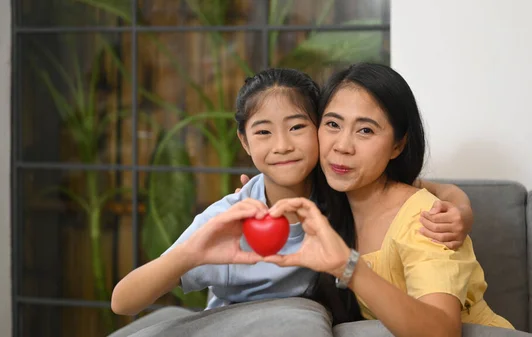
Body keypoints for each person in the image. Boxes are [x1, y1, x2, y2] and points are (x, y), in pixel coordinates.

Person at [110, 67, 472, 321]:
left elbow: (413, 192)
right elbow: (123, 302)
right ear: (244, 142)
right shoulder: (231, 218)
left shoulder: (338, 188)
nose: (283, 146)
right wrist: (191, 254)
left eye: (298, 127)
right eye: (263, 132)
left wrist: (459, 206)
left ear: (318, 130)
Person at [263, 63, 514, 337]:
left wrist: (348, 266)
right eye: (333, 124)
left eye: (366, 131)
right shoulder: (331, 200)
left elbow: (442, 332)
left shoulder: (424, 220)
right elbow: (443, 189)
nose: (342, 146)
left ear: (398, 145)